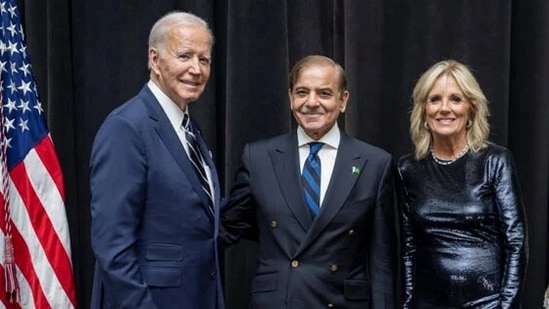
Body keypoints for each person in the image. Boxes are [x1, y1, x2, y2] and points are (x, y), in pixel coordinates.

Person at [221, 55, 396, 308]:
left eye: (324, 93)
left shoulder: (375, 163)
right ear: (291, 97)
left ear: (343, 100)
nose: (311, 103)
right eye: (302, 92)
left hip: (341, 302)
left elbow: (382, 260)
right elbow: (231, 227)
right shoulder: (258, 157)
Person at [89, 12, 224, 309]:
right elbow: (112, 246)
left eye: (204, 59)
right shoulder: (126, 127)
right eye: (185, 56)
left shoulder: (188, 128)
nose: (196, 69)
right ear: (154, 59)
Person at [397, 59, 528, 308]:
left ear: (471, 109)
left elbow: (516, 243)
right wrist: (407, 303)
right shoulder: (408, 169)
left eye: (456, 99)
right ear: (423, 110)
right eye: (435, 99)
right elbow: (408, 248)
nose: (445, 108)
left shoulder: (495, 161)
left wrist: (507, 306)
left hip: (487, 303)